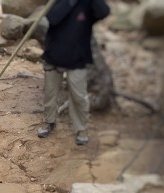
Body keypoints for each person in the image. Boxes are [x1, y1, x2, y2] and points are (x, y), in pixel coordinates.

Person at [37, 0, 110, 145]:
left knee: (79, 96)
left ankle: (81, 128)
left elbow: (104, 12)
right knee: (50, 93)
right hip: (54, 55)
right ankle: (49, 121)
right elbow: (52, 18)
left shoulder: (87, 4)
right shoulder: (55, 2)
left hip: (78, 58)